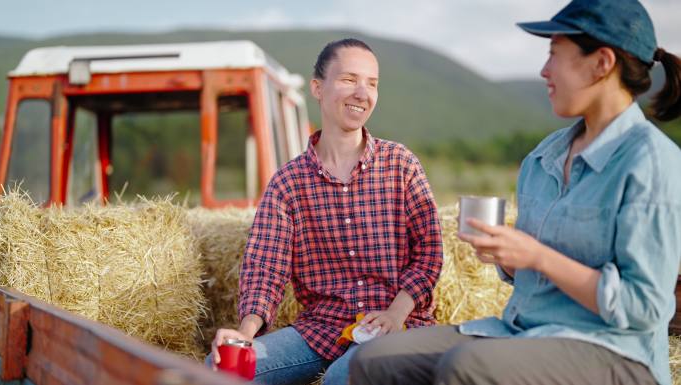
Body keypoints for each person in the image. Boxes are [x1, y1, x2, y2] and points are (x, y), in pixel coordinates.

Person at [349, 1, 681, 384]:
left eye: (555, 55)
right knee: (376, 359)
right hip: (524, 331)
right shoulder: (543, 159)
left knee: (468, 367)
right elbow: (530, 268)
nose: (544, 70)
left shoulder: (651, 161)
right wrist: (507, 258)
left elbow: (643, 307)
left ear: (602, 63)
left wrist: (538, 256)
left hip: (616, 352)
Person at [208, 38, 443, 385]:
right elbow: (265, 267)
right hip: (322, 329)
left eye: (372, 83)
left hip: (396, 326)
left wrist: (396, 314)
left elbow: (429, 253)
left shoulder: (401, 164)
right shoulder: (287, 183)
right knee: (227, 370)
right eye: (349, 79)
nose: (363, 93)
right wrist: (245, 333)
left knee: (340, 378)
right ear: (317, 88)